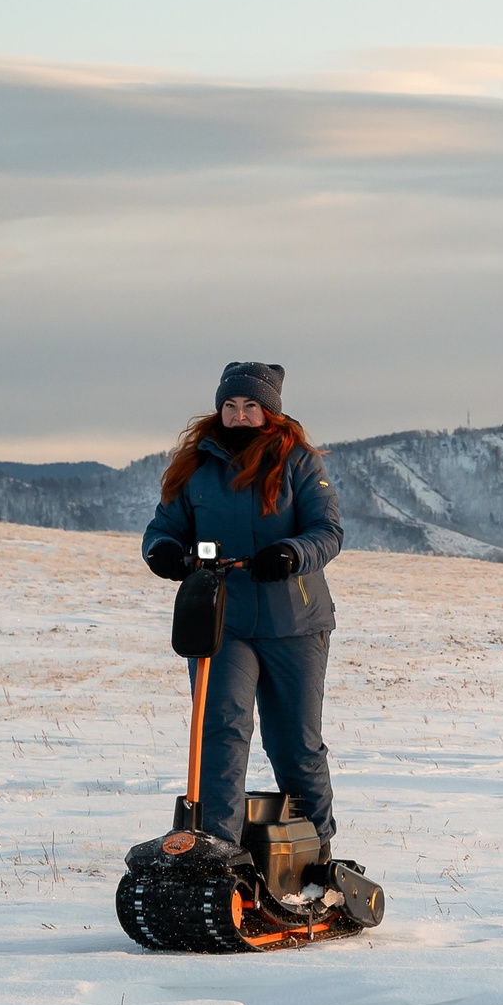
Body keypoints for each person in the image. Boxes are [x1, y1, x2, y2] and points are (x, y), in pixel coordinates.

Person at [142, 363, 346, 854]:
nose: (239, 415)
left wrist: (292, 553)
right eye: (231, 406)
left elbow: (328, 531)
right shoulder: (195, 465)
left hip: (294, 624)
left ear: (269, 411)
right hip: (221, 623)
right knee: (221, 736)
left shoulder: (298, 461)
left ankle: (316, 858)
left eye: (250, 406)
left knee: (295, 745)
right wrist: (165, 553)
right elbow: (162, 529)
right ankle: (217, 855)